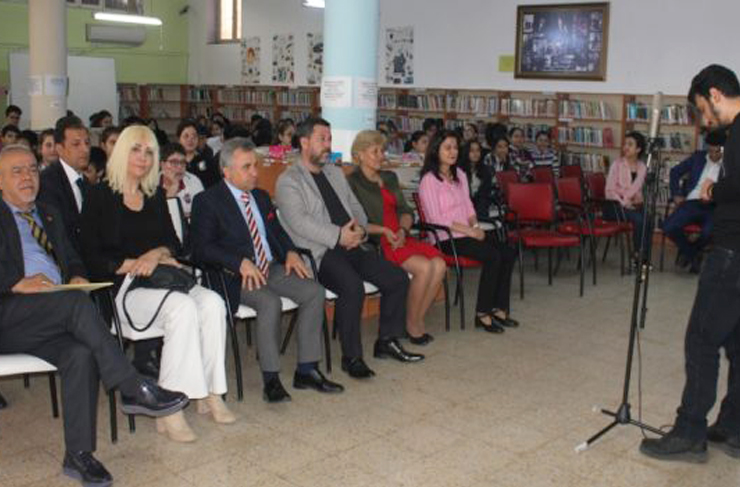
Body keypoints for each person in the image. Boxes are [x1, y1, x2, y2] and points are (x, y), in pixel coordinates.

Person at [0, 144, 189, 487]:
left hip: (51, 312)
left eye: (32, 169)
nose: (28, 177)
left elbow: (73, 256)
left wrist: (76, 276)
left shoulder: (48, 212)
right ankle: (131, 386)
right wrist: (14, 282)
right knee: (75, 305)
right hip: (9, 313)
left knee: (80, 353)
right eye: (17, 171)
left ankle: (79, 455)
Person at [80, 125, 234, 443]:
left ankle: (210, 392)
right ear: (121, 153)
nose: (143, 157)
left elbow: (173, 244)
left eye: (149, 152)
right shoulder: (98, 196)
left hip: (160, 280)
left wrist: (154, 255)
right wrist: (136, 264)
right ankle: (169, 409)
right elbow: (91, 257)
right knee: (182, 307)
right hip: (122, 289)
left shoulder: (154, 195)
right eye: (135, 150)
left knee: (212, 303)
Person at [191, 138, 343, 402]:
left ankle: (307, 370)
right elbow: (201, 248)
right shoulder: (207, 201)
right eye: (246, 167)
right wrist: (238, 262)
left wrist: (291, 252)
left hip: (270, 267)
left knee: (314, 292)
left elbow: (277, 232)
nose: (254, 172)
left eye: (255, 165)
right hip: (234, 276)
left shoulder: (260, 197)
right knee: (269, 302)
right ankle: (271, 379)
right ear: (226, 171)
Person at [640, 64, 740, 463]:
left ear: (714, 95)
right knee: (736, 342)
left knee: (700, 339)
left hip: (731, 253)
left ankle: (689, 432)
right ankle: (733, 425)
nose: (704, 119)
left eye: (701, 108)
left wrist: (714, 189)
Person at [275, 117, 423, 379]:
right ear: (304, 142)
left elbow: (355, 207)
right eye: (322, 139)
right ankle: (352, 357)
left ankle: (386, 341)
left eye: (330, 139)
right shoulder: (289, 180)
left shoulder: (334, 173)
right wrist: (338, 236)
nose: (328, 144)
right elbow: (300, 222)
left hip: (353, 243)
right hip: (320, 252)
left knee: (397, 278)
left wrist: (361, 230)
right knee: (352, 287)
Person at [347, 130, 446, 345]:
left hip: (400, 234)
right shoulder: (352, 182)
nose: (381, 156)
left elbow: (405, 210)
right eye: (375, 151)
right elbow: (355, 223)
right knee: (424, 268)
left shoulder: (389, 177)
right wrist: (385, 231)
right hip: (378, 240)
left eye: (382, 151)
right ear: (359, 154)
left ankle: (415, 319)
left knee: (439, 265)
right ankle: (412, 325)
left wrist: (402, 230)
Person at [418, 131, 518, 334]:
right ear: (436, 150)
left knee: (508, 252)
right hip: (445, 237)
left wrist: (475, 227)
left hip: (467, 232)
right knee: (492, 256)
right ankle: (482, 314)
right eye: (447, 148)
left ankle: (499, 309)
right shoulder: (429, 180)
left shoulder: (460, 175)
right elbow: (436, 219)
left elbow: (468, 206)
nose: (453, 152)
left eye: (455, 147)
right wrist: (470, 232)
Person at [662, 130, 725, 272]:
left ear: (723, 150)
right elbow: (675, 172)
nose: (713, 155)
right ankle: (693, 254)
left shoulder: (729, 164)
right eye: (710, 151)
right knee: (668, 227)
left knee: (709, 233)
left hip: (714, 206)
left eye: (717, 152)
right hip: (692, 203)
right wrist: (676, 194)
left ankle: (688, 253)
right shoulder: (698, 157)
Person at [38, 115, 91, 254]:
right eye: (76, 144)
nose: (85, 149)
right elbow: (58, 236)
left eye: (87, 143)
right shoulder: (47, 183)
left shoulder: (87, 183)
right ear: (59, 149)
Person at [605, 131, 651, 256]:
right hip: (614, 206)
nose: (625, 147)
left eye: (630, 144)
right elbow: (609, 191)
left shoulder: (642, 167)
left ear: (638, 149)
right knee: (639, 219)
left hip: (631, 204)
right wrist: (625, 202)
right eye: (625, 144)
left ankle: (643, 256)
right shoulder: (617, 164)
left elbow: (636, 189)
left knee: (648, 219)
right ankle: (638, 255)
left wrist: (635, 199)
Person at [160, 142, 204, 219]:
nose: (180, 167)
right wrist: (171, 192)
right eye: (174, 162)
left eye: (183, 162)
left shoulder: (194, 181)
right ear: (163, 165)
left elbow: (203, 212)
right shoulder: (152, 183)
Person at [178, 119, 220, 188]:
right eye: (186, 136)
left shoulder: (208, 162)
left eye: (194, 136)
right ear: (179, 140)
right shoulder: (174, 163)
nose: (190, 140)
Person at [459, 139, 494, 219]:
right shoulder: (460, 170)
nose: (475, 154)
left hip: (480, 204)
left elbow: (485, 192)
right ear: (466, 152)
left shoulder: (486, 170)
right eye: (472, 151)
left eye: (478, 150)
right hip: (464, 204)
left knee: (483, 201)